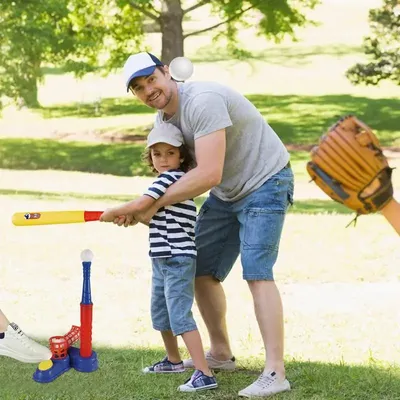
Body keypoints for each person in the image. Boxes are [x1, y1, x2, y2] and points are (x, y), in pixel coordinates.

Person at [114, 51, 293, 397]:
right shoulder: (162, 124)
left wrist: (144, 204)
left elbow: (207, 173)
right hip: (227, 194)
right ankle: (221, 353)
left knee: (257, 273)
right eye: (138, 87)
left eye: (151, 79)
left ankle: (275, 371)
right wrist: (144, 211)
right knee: (199, 269)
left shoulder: (203, 101)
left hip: (266, 182)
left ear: (166, 72)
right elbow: (175, 181)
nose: (148, 90)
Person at [100, 123, 218, 393]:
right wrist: (130, 218)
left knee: (179, 314)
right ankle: (174, 360)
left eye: (170, 153)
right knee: (161, 311)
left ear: (181, 157)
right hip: (162, 257)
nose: (163, 160)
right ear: (150, 157)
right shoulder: (164, 185)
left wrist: (113, 211)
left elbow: (142, 205)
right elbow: (148, 217)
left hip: (177, 258)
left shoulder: (171, 179)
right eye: (157, 154)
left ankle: (204, 372)